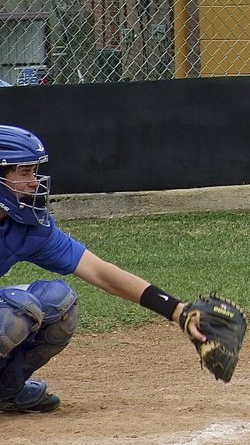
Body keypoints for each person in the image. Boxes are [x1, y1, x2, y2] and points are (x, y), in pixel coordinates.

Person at [0, 125, 209, 413]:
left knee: (59, 302)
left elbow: (101, 272)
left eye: (35, 172)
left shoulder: (27, 227)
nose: (34, 182)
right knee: (13, 312)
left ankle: (6, 389)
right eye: (24, 173)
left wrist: (177, 311)